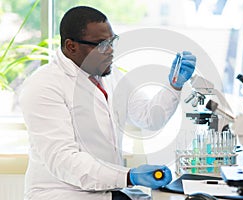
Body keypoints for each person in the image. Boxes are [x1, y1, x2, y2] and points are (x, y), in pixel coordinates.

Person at [19, 6, 196, 200]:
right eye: (101, 44)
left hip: (108, 191)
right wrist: (129, 176)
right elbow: (65, 161)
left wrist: (174, 86)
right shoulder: (43, 86)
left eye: (111, 41)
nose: (110, 50)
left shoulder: (111, 76)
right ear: (71, 46)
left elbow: (149, 117)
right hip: (63, 194)